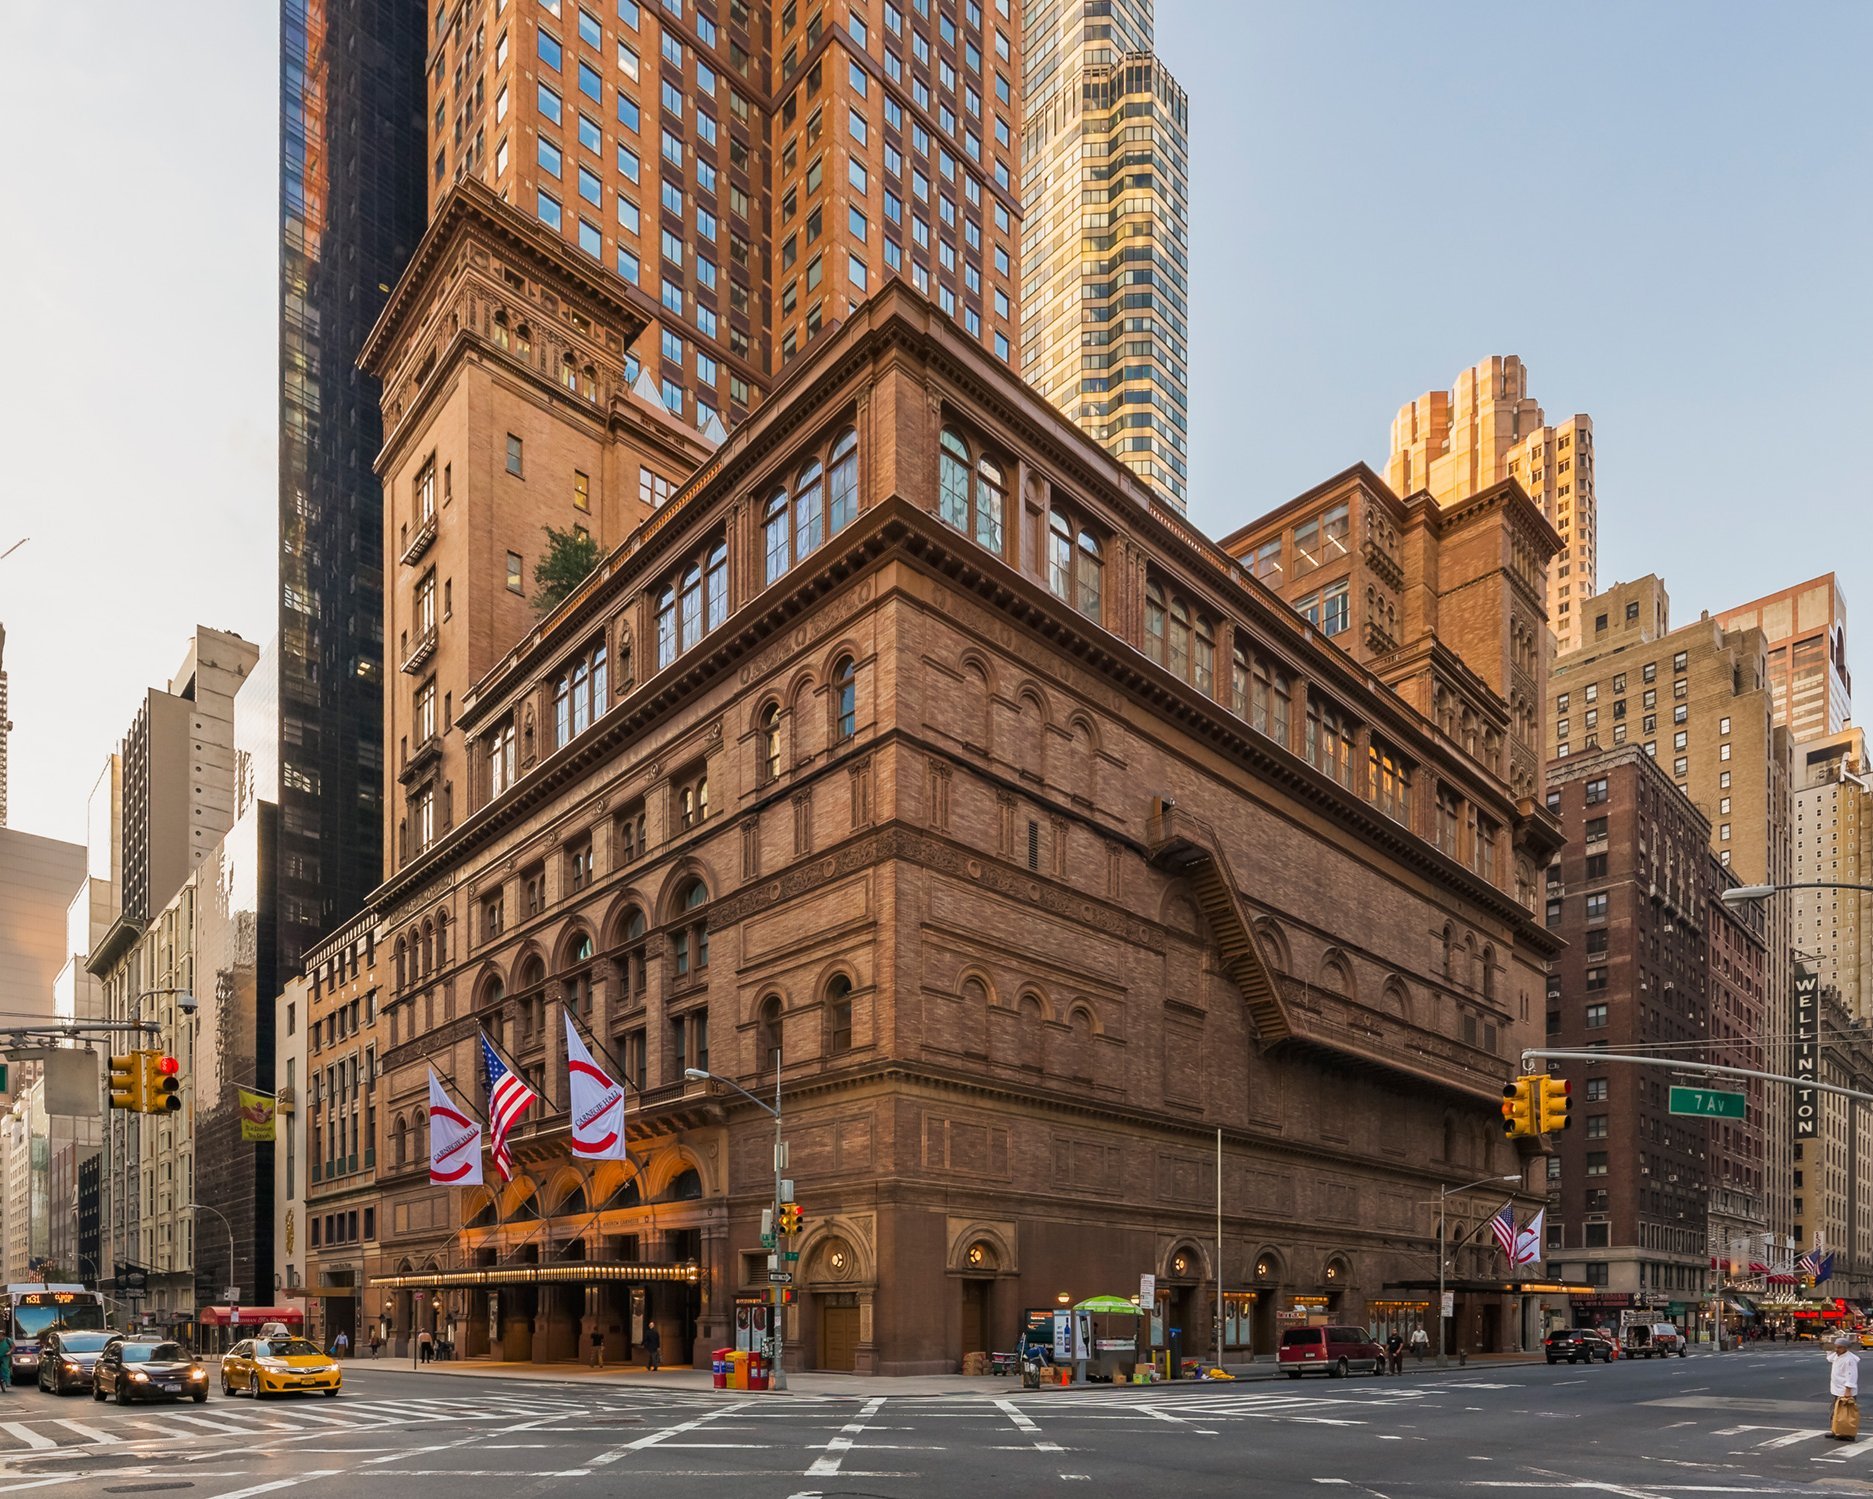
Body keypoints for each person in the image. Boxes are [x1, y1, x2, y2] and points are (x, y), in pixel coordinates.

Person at [1829, 1334, 1860, 1441]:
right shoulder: (1838, 1356)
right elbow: (1830, 1358)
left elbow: (1851, 1375)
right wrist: (1828, 1348)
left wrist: (1848, 1390)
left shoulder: (1849, 1359)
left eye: (1839, 1347)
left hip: (1844, 1390)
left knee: (1846, 1414)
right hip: (1837, 1389)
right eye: (1836, 1347)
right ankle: (1835, 1430)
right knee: (1835, 1412)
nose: (1836, 1349)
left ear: (1845, 1348)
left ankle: (1847, 1433)